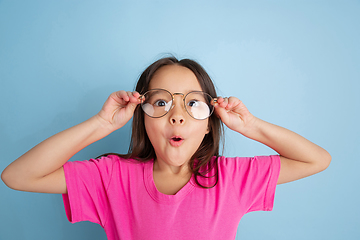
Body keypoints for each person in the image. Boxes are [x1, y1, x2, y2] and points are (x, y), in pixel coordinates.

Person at [1, 57, 331, 240]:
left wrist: (249, 125)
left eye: (192, 104)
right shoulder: (112, 177)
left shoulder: (230, 179)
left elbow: (317, 159)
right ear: (141, 117)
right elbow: (17, 176)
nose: (176, 116)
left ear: (208, 122)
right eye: (161, 102)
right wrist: (102, 124)